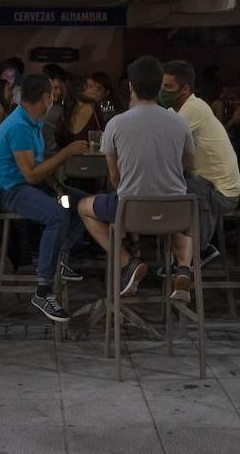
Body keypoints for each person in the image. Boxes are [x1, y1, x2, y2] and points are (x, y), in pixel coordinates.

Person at [78, 57, 194, 300]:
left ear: (130, 86)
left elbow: (113, 175)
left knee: (82, 206)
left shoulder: (116, 124)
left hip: (131, 211)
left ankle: (127, 262)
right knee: (179, 210)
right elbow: (186, 165)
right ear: (159, 87)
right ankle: (183, 268)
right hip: (174, 212)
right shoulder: (180, 122)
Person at [0, 73, 91, 322]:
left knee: (80, 204)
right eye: (53, 94)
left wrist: (56, 187)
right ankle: (43, 289)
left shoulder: (32, 122)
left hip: (29, 185)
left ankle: (60, 257)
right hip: (10, 191)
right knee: (56, 215)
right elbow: (31, 174)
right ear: (46, 98)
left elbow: (38, 165)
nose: (54, 98)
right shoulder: (20, 126)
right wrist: (67, 152)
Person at [160, 61, 240, 259]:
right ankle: (182, 257)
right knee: (173, 187)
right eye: (162, 86)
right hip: (206, 187)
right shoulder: (176, 110)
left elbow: (164, 146)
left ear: (185, 89)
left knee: (175, 189)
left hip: (221, 194)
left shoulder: (193, 109)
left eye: (168, 87)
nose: (162, 91)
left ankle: (197, 250)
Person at [60, 72, 117, 147]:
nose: (95, 89)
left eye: (97, 87)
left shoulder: (102, 110)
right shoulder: (64, 110)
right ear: (78, 89)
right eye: (90, 86)